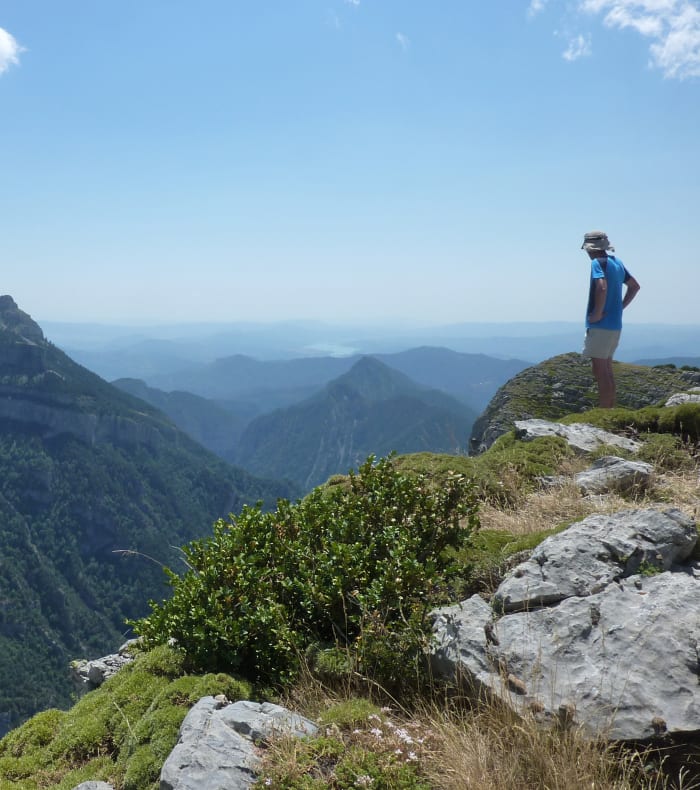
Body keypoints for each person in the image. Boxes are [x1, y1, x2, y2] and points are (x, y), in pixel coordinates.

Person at [581, 230, 640, 408]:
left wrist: (597, 313)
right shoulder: (617, 262)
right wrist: (619, 307)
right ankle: (609, 408)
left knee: (600, 371)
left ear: (590, 248)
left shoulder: (597, 263)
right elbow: (634, 286)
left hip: (601, 325)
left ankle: (604, 411)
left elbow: (602, 287)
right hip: (615, 324)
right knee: (606, 369)